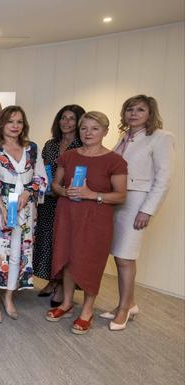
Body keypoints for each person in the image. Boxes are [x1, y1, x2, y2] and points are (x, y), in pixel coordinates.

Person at [46, 111, 127, 335]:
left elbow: (121, 195)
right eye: (84, 128)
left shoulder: (115, 160)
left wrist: (92, 194)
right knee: (68, 259)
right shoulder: (69, 156)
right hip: (68, 214)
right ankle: (67, 303)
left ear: (105, 131)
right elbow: (55, 185)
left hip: (96, 219)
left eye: (94, 128)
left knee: (90, 261)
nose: (88, 133)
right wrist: (64, 190)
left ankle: (87, 311)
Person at [101, 95, 174, 330]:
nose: (133, 113)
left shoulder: (161, 138)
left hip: (136, 203)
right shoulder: (125, 137)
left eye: (140, 110)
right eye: (129, 109)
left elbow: (163, 179)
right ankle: (128, 303)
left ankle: (124, 308)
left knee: (125, 256)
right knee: (119, 255)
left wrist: (147, 210)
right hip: (116, 200)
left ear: (150, 114)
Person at [0, 105, 47, 323]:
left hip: (25, 208)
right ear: (2, 124)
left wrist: (28, 193)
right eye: (10, 121)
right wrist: (3, 206)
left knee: (19, 251)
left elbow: (41, 178)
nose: (15, 126)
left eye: (19, 121)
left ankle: (9, 296)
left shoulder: (32, 148)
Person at [33, 105, 85, 307]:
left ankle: (63, 285)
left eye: (72, 119)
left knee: (65, 244)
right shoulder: (51, 144)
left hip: (71, 199)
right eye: (63, 118)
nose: (67, 122)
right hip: (48, 199)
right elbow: (43, 169)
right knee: (47, 241)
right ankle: (52, 280)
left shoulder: (83, 145)